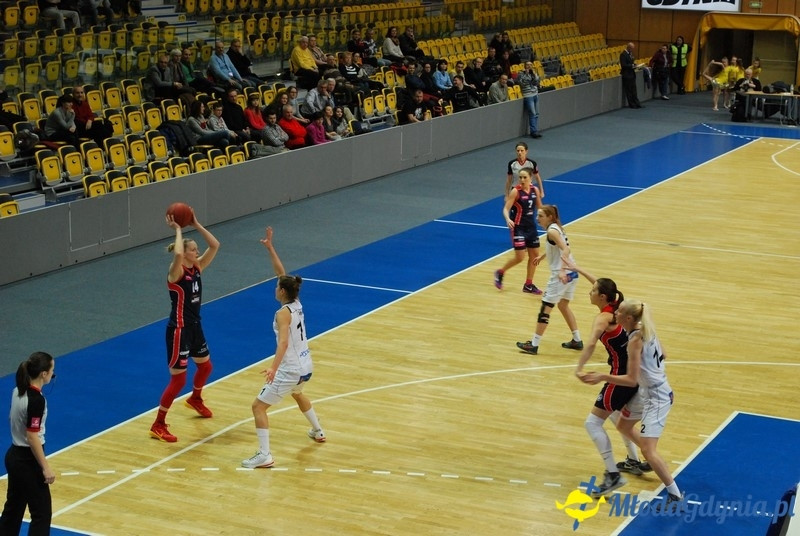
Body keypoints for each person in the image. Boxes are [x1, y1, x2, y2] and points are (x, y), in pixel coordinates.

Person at [580, 298, 684, 510]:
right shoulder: (646, 329)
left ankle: (675, 494)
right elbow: (663, 354)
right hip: (647, 390)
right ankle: (647, 459)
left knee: (648, 450)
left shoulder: (636, 340)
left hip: (657, 396)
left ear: (628, 318)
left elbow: (631, 380)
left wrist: (602, 376)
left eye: (618, 312)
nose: (614, 314)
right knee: (623, 426)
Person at [242, 227, 326, 469]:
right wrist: (270, 248)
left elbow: (283, 343)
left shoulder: (282, 313)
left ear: (282, 292)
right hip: (305, 364)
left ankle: (264, 454)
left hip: (289, 368)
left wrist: (272, 368)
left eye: (278, 286)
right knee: (298, 393)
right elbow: (282, 273)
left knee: (258, 406)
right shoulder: (296, 302)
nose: (276, 286)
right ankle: (318, 430)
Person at [568, 266, 642, 497]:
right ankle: (635, 459)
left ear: (602, 297)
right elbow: (604, 285)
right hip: (632, 373)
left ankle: (613, 475)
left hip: (620, 376)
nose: (588, 292)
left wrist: (579, 368)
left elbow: (590, 344)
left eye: (592, 290)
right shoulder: (617, 306)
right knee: (614, 415)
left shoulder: (602, 318)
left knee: (592, 423)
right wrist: (577, 268)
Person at [150, 211, 220, 443]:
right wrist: (178, 229)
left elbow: (215, 244)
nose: (197, 251)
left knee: (206, 367)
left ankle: (195, 398)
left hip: (195, 327)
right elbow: (178, 252)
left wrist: (197, 223)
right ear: (185, 253)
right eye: (193, 249)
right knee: (178, 380)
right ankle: (158, 424)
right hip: (178, 330)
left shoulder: (197, 268)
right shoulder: (176, 273)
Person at [0, 352, 56, 536]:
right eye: (52, 371)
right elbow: (32, 437)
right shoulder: (37, 401)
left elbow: (12, 418)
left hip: (14, 455)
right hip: (27, 461)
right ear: (43, 374)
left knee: (14, 509)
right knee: (41, 513)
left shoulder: (17, 391)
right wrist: (45, 467)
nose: (52, 374)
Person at [516, 204, 581, 354]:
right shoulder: (556, 228)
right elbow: (558, 247)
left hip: (562, 274)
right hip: (573, 272)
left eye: (540, 216)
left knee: (545, 309)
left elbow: (566, 249)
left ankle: (534, 344)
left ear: (549, 217)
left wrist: (562, 270)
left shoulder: (552, 231)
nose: (537, 218)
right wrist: (543, 256)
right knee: (563, 306)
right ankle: (577, 340)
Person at [494, 167, 542, 295]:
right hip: (519, 228)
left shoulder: (534, 190)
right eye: (520, 177)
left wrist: (546, 218)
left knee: (534, 256)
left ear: (530, 178)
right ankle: (501, 272)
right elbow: (505, 209)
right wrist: (507, 219)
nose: (521, 180)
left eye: (524, 177)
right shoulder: (515, 191)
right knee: (520, 257)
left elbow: (540, 207)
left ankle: (528, 284)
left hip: (531, 228)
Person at [517, 61, 542, 138]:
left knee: (537, 113)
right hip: (528, 95)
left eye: (531, 65)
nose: (529, 66)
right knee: (532, 113)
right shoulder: (521, 73)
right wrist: (527, 74)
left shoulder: (533, 73)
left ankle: (535, 129)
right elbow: (522, 83)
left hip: (535, 94)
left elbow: (536, 83)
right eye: (527, 65)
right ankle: (533, 131)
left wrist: (534, 75)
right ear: (524, 66)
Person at [620, 42, 645, 109]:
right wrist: (632, 66)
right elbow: (623, 65)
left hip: (632, 74)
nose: (632, 50)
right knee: (629, 90)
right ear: (628, 47)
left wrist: (634, 64)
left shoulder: (630, 54)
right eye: (631, 48)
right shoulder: (623, 55)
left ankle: (637, 103)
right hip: (626, 75)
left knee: (634, 90)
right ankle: (632, 104)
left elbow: (631, 62)